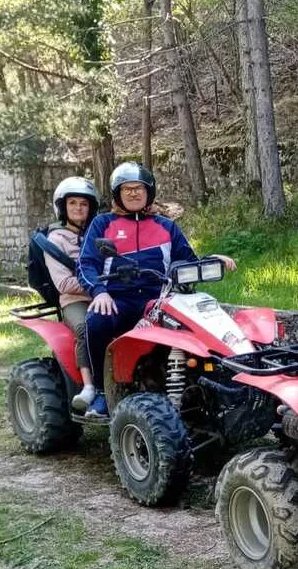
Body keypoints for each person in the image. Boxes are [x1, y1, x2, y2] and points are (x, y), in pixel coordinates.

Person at [77, 160, 236, 420]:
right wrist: (99, 292)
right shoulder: (102, 224)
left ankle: (202, 391)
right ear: (117, 193)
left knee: (197, 326)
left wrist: (210, 259)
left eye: (138, 188)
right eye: (126, 189)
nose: (133, 193)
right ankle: (101, 393)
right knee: (97, 322)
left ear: (149, 192)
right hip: (117, 298)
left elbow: (186, 259)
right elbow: (86, 264)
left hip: (159, 298)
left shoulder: (166, 226)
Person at [44, 176, 99, 412]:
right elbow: (64, 283)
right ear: (63, 207)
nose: (78, 208)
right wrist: (97, 284)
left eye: (84, 204)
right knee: (87, 327)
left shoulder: (98, 234)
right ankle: (89, 387)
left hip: (105, 295)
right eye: (73, 203)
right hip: (75, 300)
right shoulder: (55, 240)